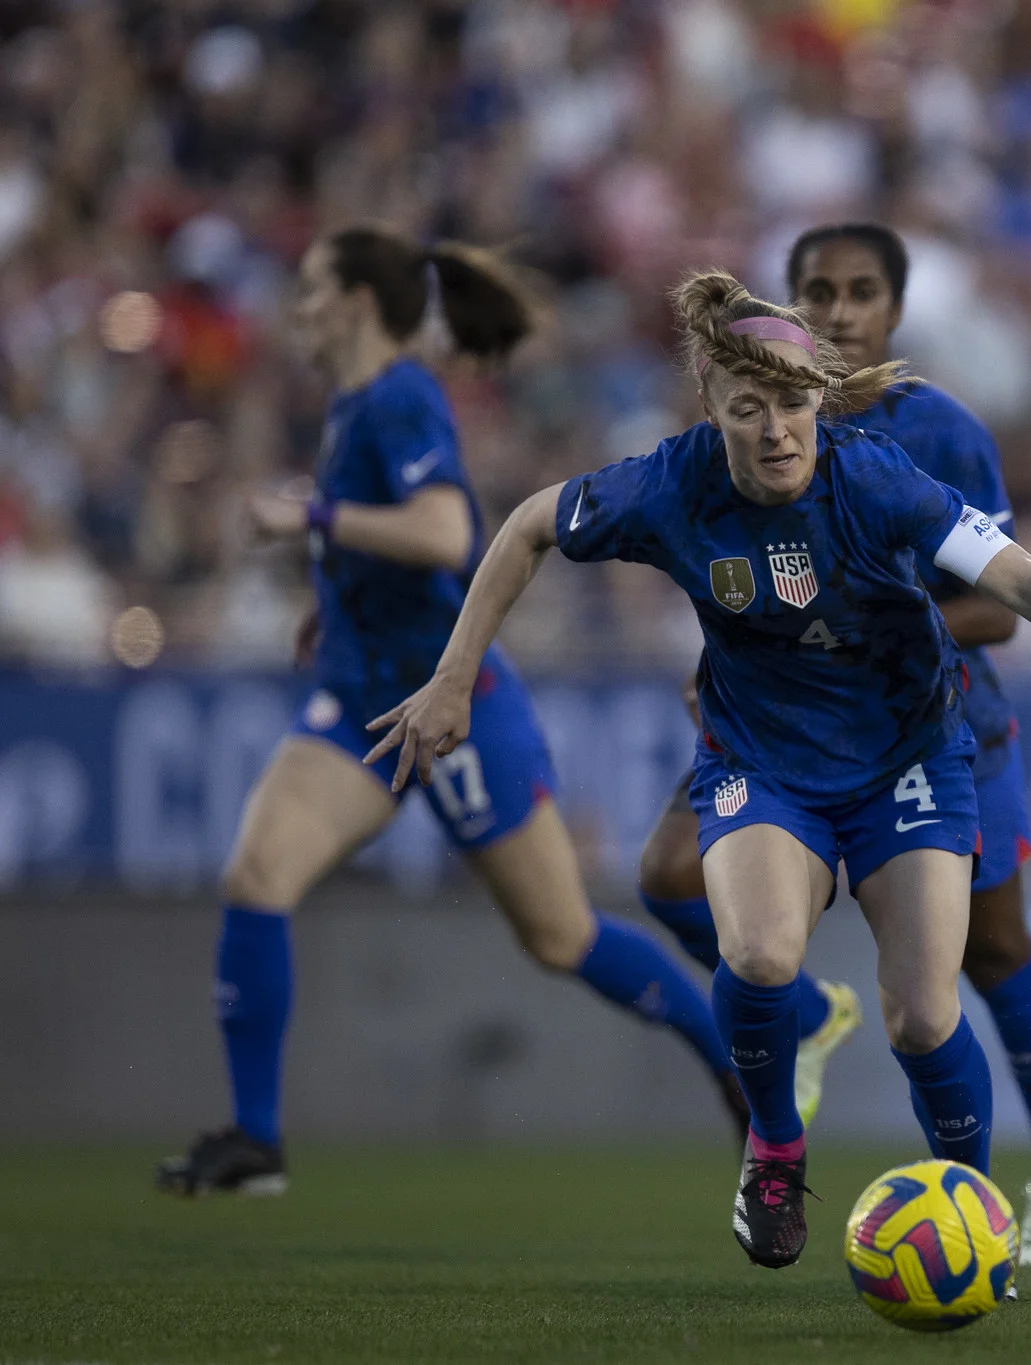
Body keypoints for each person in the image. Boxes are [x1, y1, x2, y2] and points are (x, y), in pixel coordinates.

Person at [366, 270, 1031, 1271]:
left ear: (820, 396)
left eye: (791, 403)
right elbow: (522, 528)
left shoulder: (874, 480)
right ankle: (774, 1144)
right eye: (747, 409)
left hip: (907, 755)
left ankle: (968, 1206)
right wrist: (452, 677)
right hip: (763, 761)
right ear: (710, 409)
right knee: (763, 956)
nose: (775, 430)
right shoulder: (666, 484)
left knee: (921, 1013)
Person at [155, 226, 743, 1198]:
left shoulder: (397, 397)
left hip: (450, 700)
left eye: (310, 287)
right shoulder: (354, 405)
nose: (295, 308)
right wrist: (333, 599)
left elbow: (444, 534)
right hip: (358, 701)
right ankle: (255, 1140)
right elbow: (395, 546)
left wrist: (310, 519)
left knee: (561, 937)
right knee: (257, 878)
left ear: (352, 303)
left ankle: (733, 1063)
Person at [634, 223, 1031, 1266]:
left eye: (858, 293)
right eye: (817, 292)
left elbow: (1000, 607)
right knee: (668, 876)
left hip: (932, 722)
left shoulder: (937, 433)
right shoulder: (744, 427)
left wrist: (846, 624)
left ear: (892, 311)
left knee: (985, 954)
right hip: (777, 720)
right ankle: (798, 1014)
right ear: (788, 308)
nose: (838, 312)